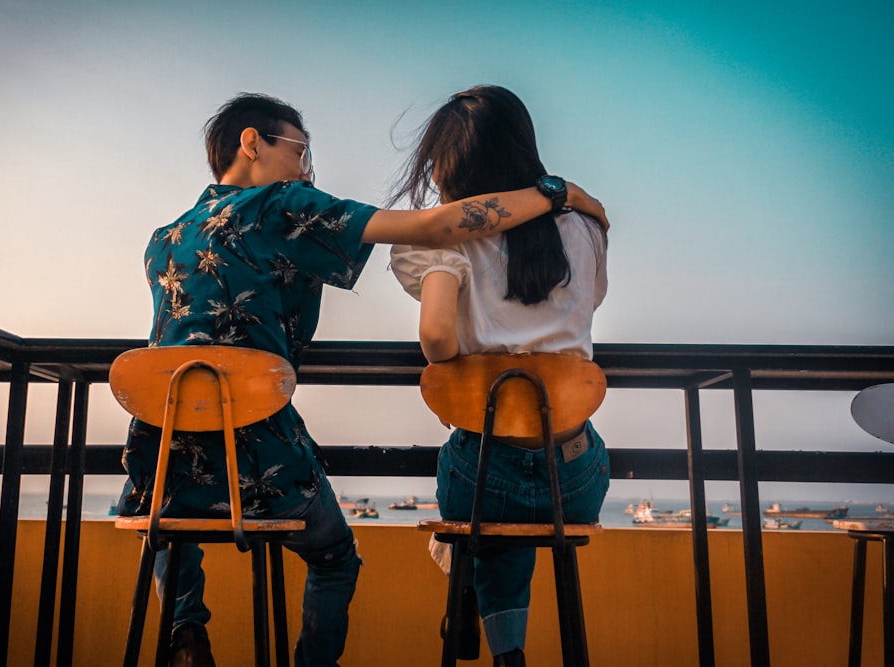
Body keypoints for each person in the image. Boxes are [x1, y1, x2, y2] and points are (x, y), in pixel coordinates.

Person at [117, 92, 608, 667]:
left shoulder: (162, 240)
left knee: (163, 524)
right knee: (334, 559)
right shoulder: (283, 204)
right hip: (263, 458)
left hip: (162, 447)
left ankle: (184, 631)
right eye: (300, 150)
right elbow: (436, 224)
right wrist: (558, 193)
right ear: (253, 143)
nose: (307, 168)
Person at [388, 85, 611, 667]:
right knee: (515, 499)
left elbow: (436, 338)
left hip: (487, 475)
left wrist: (460, 369)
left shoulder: (445, 240)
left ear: (451, 164)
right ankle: (493, 626)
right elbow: (593, 304)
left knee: (480, 469)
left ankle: (485, 619)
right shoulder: (585, 231)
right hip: (578, 482)